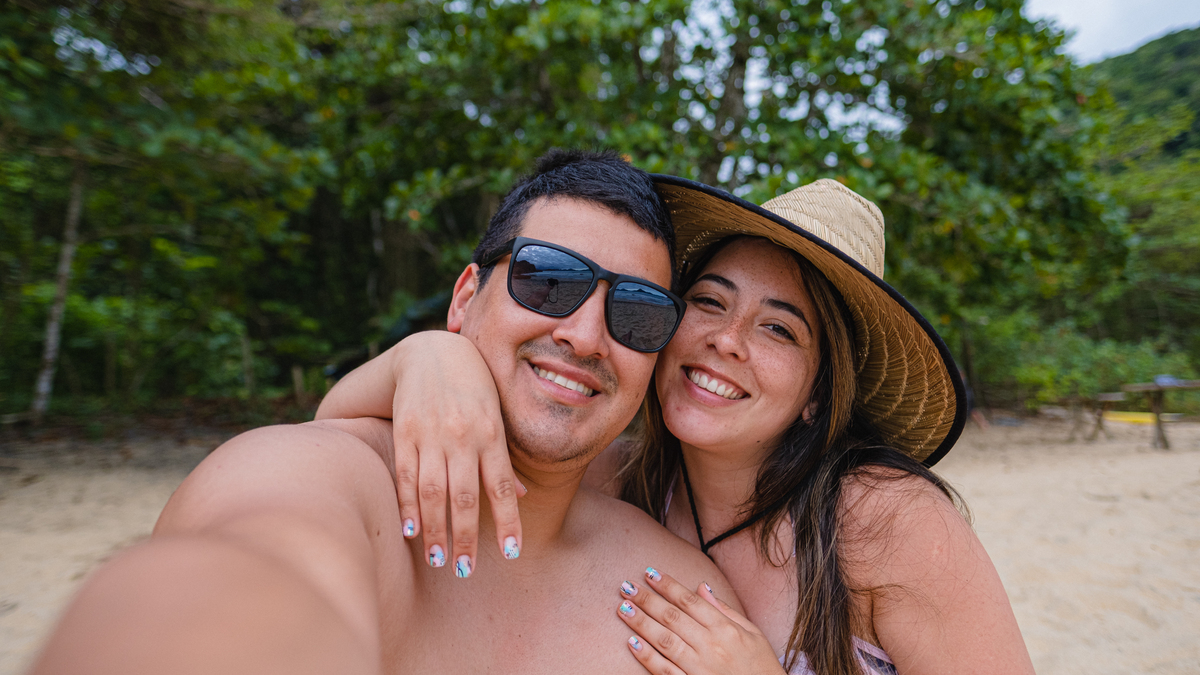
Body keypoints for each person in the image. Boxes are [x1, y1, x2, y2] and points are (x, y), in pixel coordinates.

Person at [29, 150, 740, 675]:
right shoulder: (318, 477)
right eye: (547, 280)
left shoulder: (673, 589)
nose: (585, 336)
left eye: (636, 314)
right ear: (465, 298)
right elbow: (244, 576)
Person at [317, 176, 1036, 674]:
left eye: (780, 330)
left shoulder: (884, 521)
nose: (727, 341)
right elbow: (336, 437)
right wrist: (426, 356)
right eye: (710, 302)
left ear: (819, 391)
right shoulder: (612, 476)